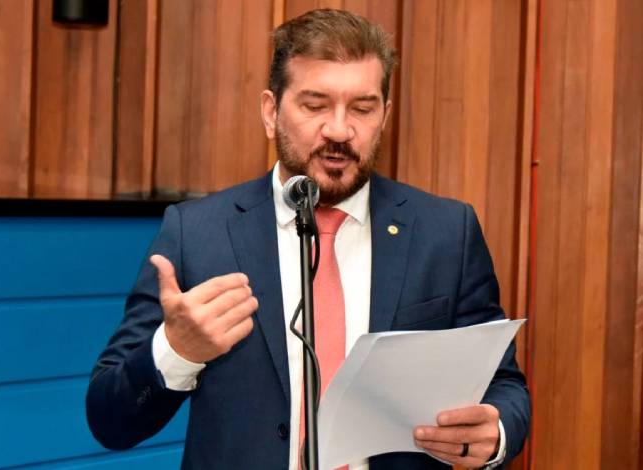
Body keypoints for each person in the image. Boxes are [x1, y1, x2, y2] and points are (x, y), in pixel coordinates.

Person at [86, 8, 529, 470]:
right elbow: (109, 419)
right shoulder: (197, 234)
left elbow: (504, 385)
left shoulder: (446, 232)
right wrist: (177, 351)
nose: (339, 130)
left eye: (362, 108)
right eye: (315, 105)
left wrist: (494, 434)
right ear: (271, 112)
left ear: (385, 115)